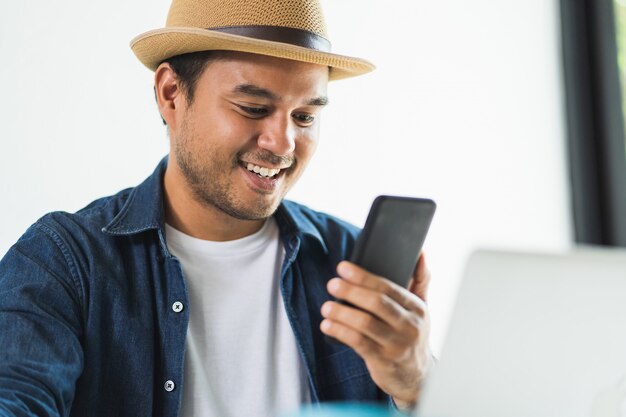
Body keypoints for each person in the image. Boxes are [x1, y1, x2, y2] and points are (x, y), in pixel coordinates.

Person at [0, 0, 434, 416]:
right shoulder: (65, 263)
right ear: (171, 94)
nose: (283, 143)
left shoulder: (346, 259)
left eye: (304, 117)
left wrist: (417, 386)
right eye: (253, 108)